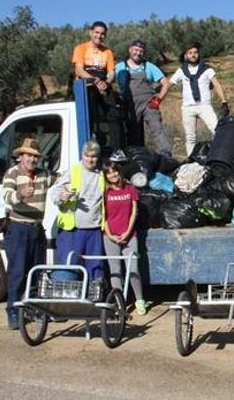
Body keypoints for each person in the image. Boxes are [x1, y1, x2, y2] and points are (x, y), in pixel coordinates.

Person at [1, 138, 54, 329]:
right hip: (18, 228)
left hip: (36, 228)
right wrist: (21, 194)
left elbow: (60, 179)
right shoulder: (12, 173)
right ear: (20, 157)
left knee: (37, 271)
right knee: (18, 272)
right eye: (28, 156)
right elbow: (7, 196)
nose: (32, 160)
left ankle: (34, 308)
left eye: (35, 156)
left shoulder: (43, 174)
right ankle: (13, 312)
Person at [161, 42, 229, 157]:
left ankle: (219, 156)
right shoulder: (182, 71)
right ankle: (191, 160)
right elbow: (169, 84)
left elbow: (217, 85)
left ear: (198, 54)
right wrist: (159, 97)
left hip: (204, 106)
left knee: (217, 131)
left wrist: (224, 101)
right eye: (190, 53)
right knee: (190, 137)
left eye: (195, 52)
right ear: (186, 55)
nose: (193, 55)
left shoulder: (207, 69)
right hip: (188, 108)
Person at [52, 141, 106, 285]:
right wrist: (62, 196)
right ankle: (68, 304)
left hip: (94, 230)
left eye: (93, 156)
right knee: (68, 271)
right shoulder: (73, 171)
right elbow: (55, 192)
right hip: (72, 231)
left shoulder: (102, 174)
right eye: (87, 156)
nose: (90, 159)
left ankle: (94, 302)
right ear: (82, 155)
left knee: (95, 271)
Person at [102, 161, 147, 315]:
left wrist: (127, 233)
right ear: (105, 176)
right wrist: (110, 235)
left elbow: (134, 213)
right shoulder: (104, 192)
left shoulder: (130, 189)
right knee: (115, 272)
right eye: (108, 173)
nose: (112, 175)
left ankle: (140, 300)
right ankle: (119, 302)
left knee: (133, 269)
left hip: (129, 236)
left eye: (114, 171)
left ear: (119, 172)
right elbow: (103, 216)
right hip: (110, 237)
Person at [115, 39, 172, 156]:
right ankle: (135, 157)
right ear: (130, 50)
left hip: (148, 103)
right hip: (129, 104)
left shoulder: (149, 66)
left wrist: (159, 98)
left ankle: (166, 156)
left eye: (141, 51)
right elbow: (109, 81)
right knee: (132, 133)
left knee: (157, 129)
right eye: (136, 50)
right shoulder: (120, 66)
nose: (138, 53)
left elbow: (165, 82)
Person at [72, 21, 124, 149]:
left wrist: (106, 82)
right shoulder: (80, 48)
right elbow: (79, 70)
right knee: (88, 116)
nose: (99, 36)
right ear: (91, 32)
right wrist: (95, 81)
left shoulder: (108, 52)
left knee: (114, 114)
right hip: (86, 85)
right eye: (96, 32)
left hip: (103, 84)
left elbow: (111, 71)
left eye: (102, 34)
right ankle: (87, 149)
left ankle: (116, 151)